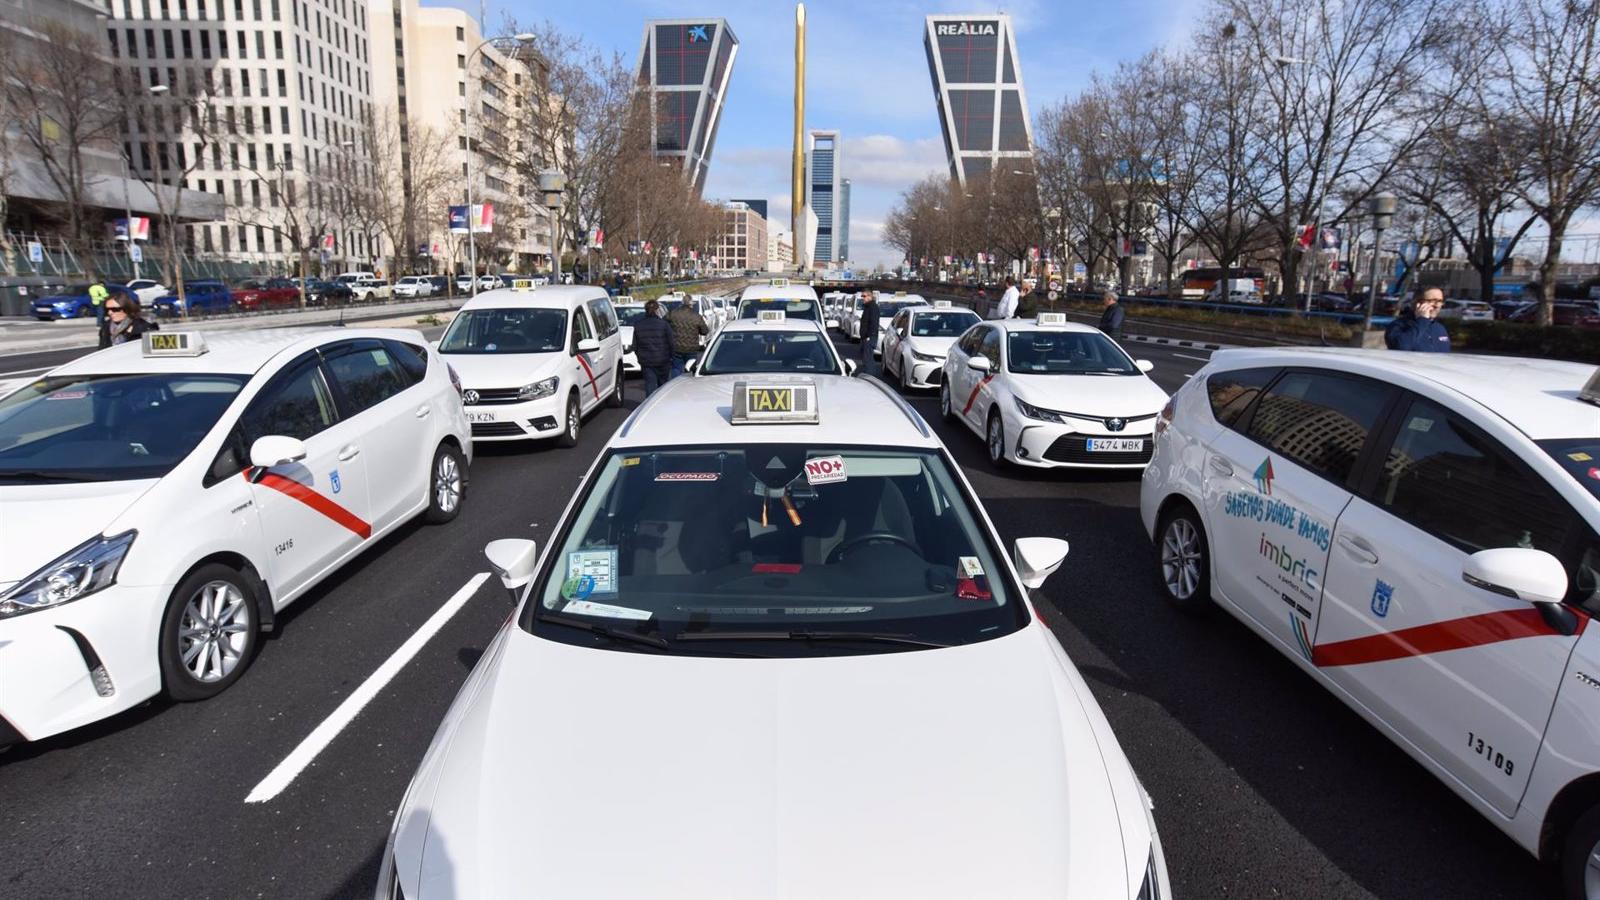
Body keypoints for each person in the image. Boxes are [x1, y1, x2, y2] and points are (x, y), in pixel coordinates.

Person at [1384, 287, 1451, 352]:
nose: (1437, 305)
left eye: (1440, 301)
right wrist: (1422, 320)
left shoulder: (1439, 328)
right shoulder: (1398, 326)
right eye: (1432, 301)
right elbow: (1401, 347)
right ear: (1417, 303)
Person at [633, 299, 673, 396]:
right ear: (657, 310)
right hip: (663, 360)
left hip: (647, 361)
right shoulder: (664, 324)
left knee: (650, 387)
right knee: (663, 387)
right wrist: (671, 357)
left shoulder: (638, 325)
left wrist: (640, 358)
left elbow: (635, 345)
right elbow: (671, 343)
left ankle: (649, 407)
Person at [667, 295, 709, 378]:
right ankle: (689, 386)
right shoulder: (696, 316)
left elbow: (664, 323)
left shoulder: (672, 314)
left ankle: (675, 385)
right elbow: (705, 331)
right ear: (691, 304)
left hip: (676, 347)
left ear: (682, 303)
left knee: (676, 368)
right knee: (690, 369)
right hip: (691, 348)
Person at [858, 290, 880, 374]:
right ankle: (867, 374)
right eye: (862, 296)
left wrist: (868, 336)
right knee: (864, 357)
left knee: (868, 360)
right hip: (865, 337)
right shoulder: (867, 307)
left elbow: (873, 323)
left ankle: (870, 377)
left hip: (869, 338)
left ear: (870, 296)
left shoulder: (873, 307)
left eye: (864, 296)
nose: (862, 298)